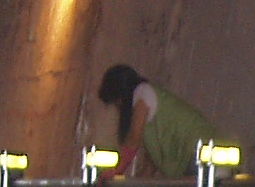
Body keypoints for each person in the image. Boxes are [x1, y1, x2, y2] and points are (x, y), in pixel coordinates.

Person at [96, 64, 232, 179]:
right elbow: (152, 163)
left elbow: (133, 140)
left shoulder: (142, 94)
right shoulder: (151, 118)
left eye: (116, 103)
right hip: (198, 157)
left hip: (204, 154)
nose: (118, 108)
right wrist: (130, 186)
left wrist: (116, 170)